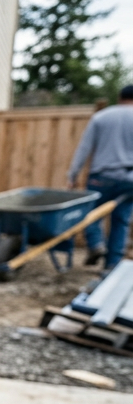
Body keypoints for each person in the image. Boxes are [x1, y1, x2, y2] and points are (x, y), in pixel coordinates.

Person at [69, 84, 133, 270]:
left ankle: (96, 244)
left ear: (120, 98)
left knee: (89, 214)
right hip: (129, 180)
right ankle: (112, 265)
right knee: (120, 221)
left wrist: (73, 174)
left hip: (101, 177)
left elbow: (84, 149)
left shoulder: (102, 117)